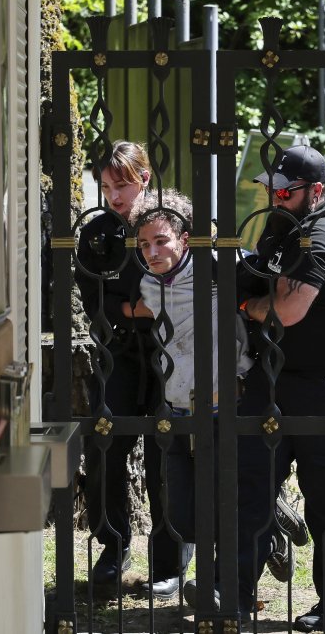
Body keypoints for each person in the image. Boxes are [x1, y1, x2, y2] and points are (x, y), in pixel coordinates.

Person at [230, 145, 325, 632]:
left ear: (316, 191)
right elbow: (258, 275)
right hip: (276, 373)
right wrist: (256, 291)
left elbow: (288, 311)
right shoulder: (282, 226)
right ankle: (232, 598)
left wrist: (250, 305)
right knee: (249, 485)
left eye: (286, 191)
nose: (275, 197)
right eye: (270, 189)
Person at [126, 189, 263, 596]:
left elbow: (254, 280)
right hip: (177, 402)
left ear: (185, 239)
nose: (153, 251)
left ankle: (220, 585)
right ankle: (270, 519)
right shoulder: (151, 284)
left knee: (226, 499)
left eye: (162, 240)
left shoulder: (219, 270)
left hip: (225, 399)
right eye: (145, 244)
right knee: (182, 513)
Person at [74, 141, 192, 595]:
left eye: (121, 184)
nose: (114, 196)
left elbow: (187, 289)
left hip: (171, 354)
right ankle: (112, 546)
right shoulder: (97, 232)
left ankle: (170, 561)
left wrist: (135, 307)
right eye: (105, 186)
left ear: (144, 179)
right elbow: (95, 305)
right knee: (105, 447)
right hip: (119, 355)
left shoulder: (170, 223)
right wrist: (134, 309)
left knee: (167, 455)